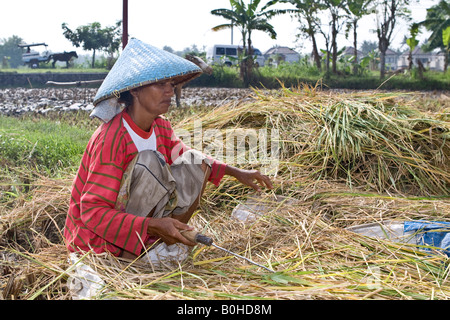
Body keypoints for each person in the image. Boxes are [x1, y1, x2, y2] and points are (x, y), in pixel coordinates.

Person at [63, 39, 273, 264]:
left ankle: (165, 239)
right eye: (161, 84)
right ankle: (131, 255)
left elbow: (188, 155)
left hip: (141, 225)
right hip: (97, 241)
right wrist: (151, 225)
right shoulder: (113, 138)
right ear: (134, 89)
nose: (170, 92)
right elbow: (92, 211)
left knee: (197, 165)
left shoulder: (161, 126)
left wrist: (236, 172)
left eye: (171, 84)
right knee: (149, 162)